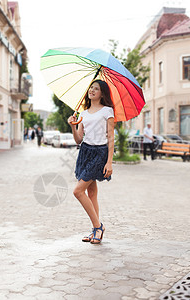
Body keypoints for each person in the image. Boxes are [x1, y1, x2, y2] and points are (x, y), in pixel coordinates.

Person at [68, 79, 114, 244]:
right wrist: (73, 126)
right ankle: (95, 229)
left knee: (77, 191)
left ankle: (98, 226)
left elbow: (111, 137)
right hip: (85, 152)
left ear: (102, 93)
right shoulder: (83, 113)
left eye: (96, 89)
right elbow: (79, 139)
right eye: (91, 88)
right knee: (91, 193)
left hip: (99, 153)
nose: (92, 90)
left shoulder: (107, 111)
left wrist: (109, 161)